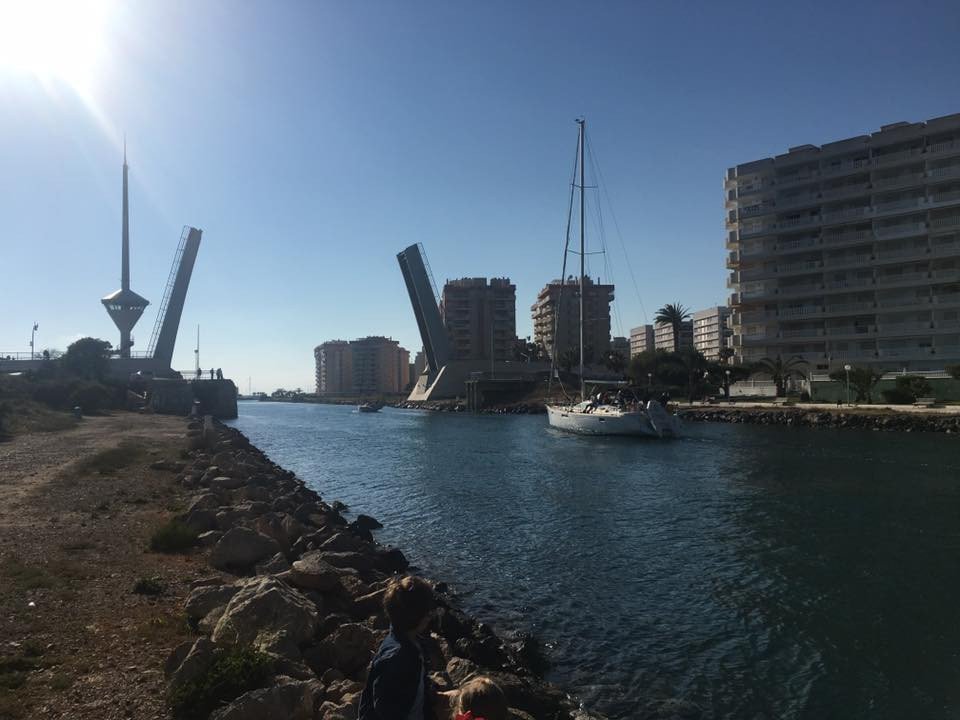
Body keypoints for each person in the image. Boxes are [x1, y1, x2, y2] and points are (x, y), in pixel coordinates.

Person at [358, 576, 450, 720]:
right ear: (418, 618)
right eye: (428, 613)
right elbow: (383, 708)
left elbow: (417, 682)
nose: (430, 616)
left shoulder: (413, 642)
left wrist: (432, 695)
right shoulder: (397, 658)